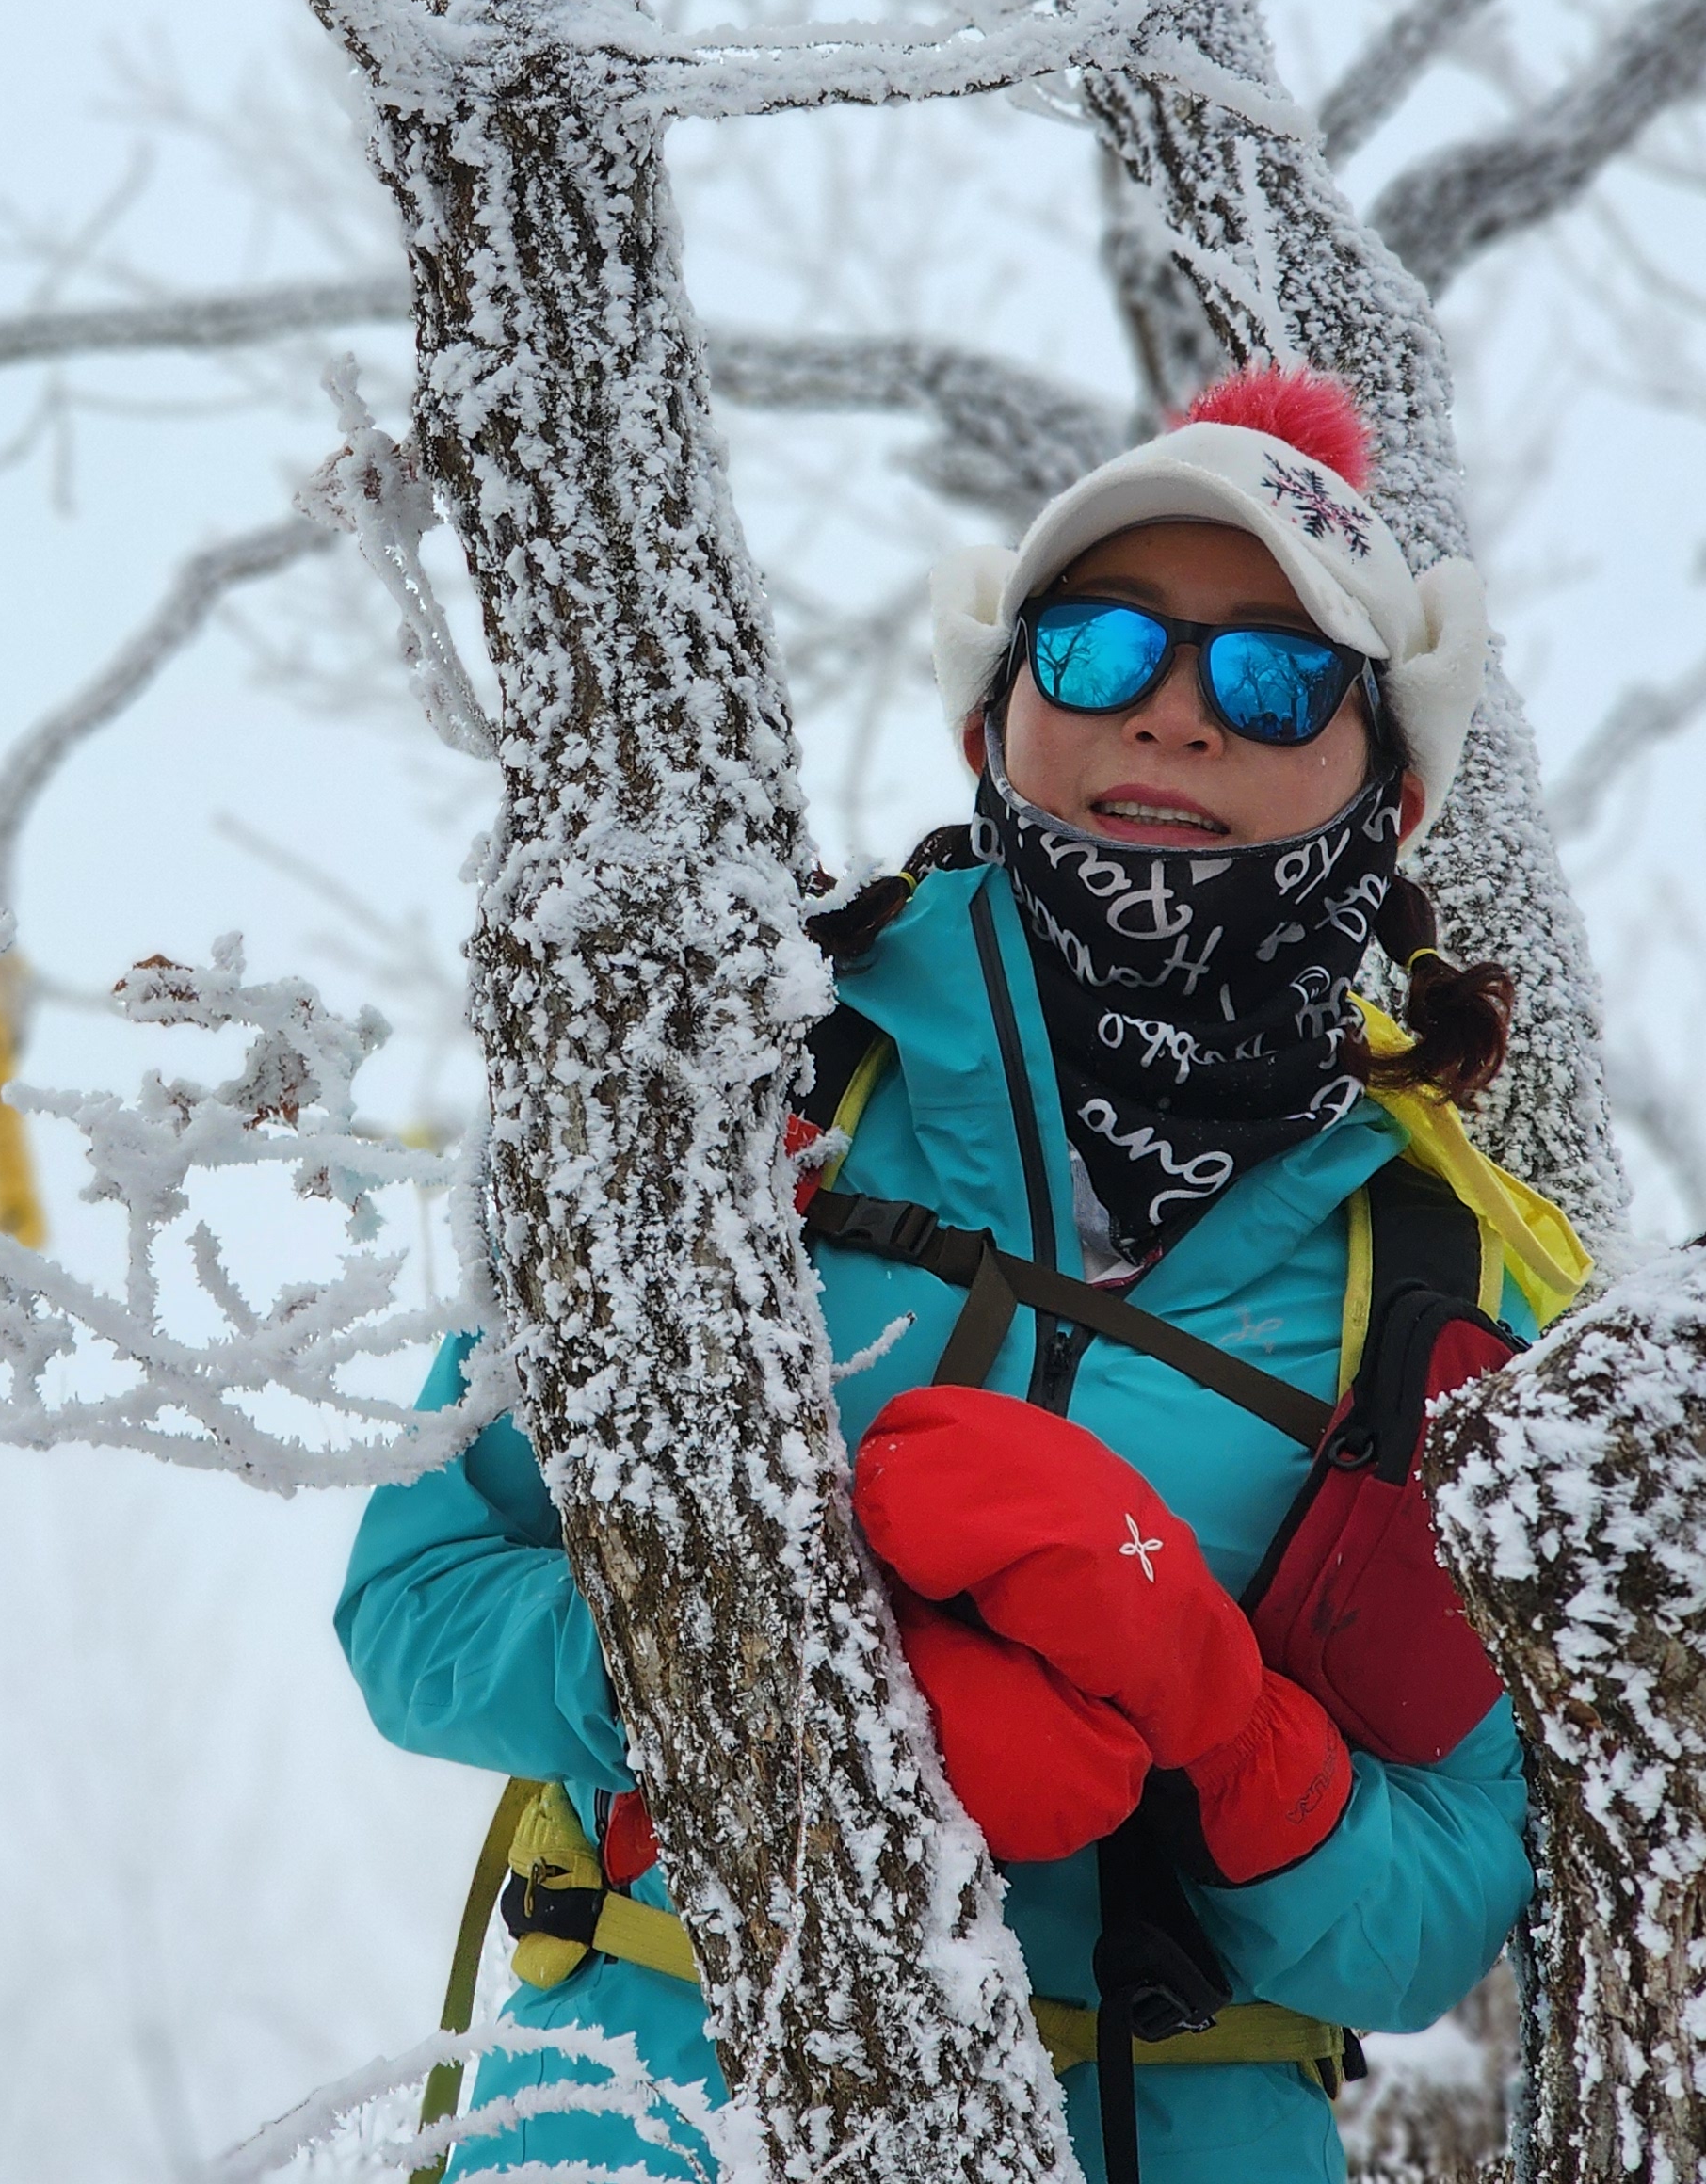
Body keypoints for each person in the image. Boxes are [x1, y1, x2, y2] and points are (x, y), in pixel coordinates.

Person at [337, 369, 1590, 2184]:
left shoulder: (1439, 1289)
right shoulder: (759, 1084)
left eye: (1275, 678)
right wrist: (796, 1670)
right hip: (653, 2117)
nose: (1175, 711)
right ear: (991, 721)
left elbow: (1434, 1912)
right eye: (1097, 647)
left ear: (1388, 799)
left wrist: (1225, 1730)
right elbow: (419, 1603)